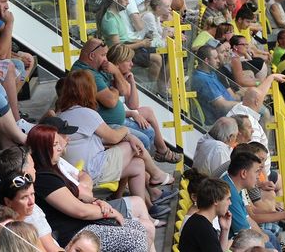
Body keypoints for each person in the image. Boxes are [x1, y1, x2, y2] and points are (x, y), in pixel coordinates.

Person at [55, 70, 176, 217]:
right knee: (130, 145)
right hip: (90, 171)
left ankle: (146, 213)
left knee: (138, 165)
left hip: (81, 171)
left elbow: (101, 139)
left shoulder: (63, 114)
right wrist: (126, 132)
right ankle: (156, 175)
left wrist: (126, 136)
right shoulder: (85, 112)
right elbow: (112, 137)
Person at [26, 124, 153, 250]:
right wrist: (111, 213)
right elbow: (80, 211)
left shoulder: (54, 166)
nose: (60, 148)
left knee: (141, 228)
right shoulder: (44, 178)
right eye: (54, 145)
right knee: (137, 240)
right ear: (42, 148)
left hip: (85, 224)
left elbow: (79, 193)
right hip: (75, 233)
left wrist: (96, 201)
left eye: (58, 143)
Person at [106, 43, 182, 162]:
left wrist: (132, 82)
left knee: (148, 111)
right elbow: (112, 112)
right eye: (128, 61)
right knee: (148, 131)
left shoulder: (122, 77)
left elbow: (133, 105)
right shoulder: (108, 79)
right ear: (117, 63)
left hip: (122, 115)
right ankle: (155, 156)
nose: (132, 64)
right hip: (114, 121)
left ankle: (162, 150)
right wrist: (132, 114)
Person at [222, 152, 280, 250]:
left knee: (270, 236)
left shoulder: (235, 187)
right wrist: (263, 239)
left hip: (239, 239)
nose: (259, 176)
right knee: (269, 246)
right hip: (232, 243)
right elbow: (244, 232)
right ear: (244, 173)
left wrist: (263, 237)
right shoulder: (229, 192)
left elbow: (247, 218)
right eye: (256, 171)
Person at [178, 178, 232, 252]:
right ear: (216, 200)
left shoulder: (199, 222)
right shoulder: (203, 229)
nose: (230, 203)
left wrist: (225, 229)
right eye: (228, 199)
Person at [191, 45, 240, 125]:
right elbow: (222, 106)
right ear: (206, 60)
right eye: (216, 58)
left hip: (232, 113)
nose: (218, 61)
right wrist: (243, 105)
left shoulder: (211, 73)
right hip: (223, 121)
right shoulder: (203, 80)